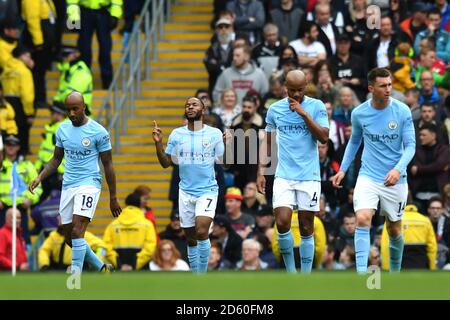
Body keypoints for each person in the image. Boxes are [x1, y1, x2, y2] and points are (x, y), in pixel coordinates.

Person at [331, 67, 416, 273]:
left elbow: (411, 146)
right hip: (368, 175)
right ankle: (362, 274)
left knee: (394, 228)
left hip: (395, 178)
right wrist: (343, 169)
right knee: (362, 218)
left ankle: (395, 275)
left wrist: (397, 169)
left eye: (390, 84)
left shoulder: (402, 110)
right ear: (371, 88)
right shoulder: (359, 113)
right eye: (383, 85)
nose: (388, 89)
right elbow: (354, 142)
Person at [29, 91, 122, 274]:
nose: (71, 113)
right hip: (68, 185)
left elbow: (108, 165)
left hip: (89, 183)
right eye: (68, 110)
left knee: (78, 231)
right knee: (69, 238)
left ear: (84, 107)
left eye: (75, 109)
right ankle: (101, 268)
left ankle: (75, 279)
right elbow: (56, 159)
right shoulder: (62, 129)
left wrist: (113, 197)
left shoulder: (98, 132)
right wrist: (40, 177)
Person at [257, 69, 330, 273]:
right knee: (281, 223)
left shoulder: (316, 106)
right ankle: (290, 273)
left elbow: (324, 137)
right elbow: (268, 142)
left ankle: (305, 275)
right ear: (285, 88)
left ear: (306, 87)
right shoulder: (275, 110)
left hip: (309, 176)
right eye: (292, 90)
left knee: (306, 226)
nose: (296, 94)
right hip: (284, 175)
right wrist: (261, 171)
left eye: (299, 90)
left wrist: (304, 114)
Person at [152, 96, 228, 273]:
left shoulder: (214, 133)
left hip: (207, 190)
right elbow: (165, 163)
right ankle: (195, 275)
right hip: (185, 191)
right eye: (187, 105)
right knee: (191, 238)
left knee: (202, 231)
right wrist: (158, 144)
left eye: (194, 104)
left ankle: (201, 277)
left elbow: (226, 163)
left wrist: (228, 145)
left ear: (203, 109)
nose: (190, 107)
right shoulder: (177, 134)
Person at [103, 193, 157, 271]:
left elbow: (106, 247)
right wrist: (134, 264)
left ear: (126, 204)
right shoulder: (147, 224)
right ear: (140, 204)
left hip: (118, 269)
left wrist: (119, 264)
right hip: (141, 269)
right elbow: (150, 248)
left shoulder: (112, 225)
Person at [380, 204, 437, 270]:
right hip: (421, 263)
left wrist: (386, 267)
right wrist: (432, 267)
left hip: (399, 264)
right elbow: (432, 247)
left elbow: (385, 246)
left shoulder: (393, 220)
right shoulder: (425, 221)